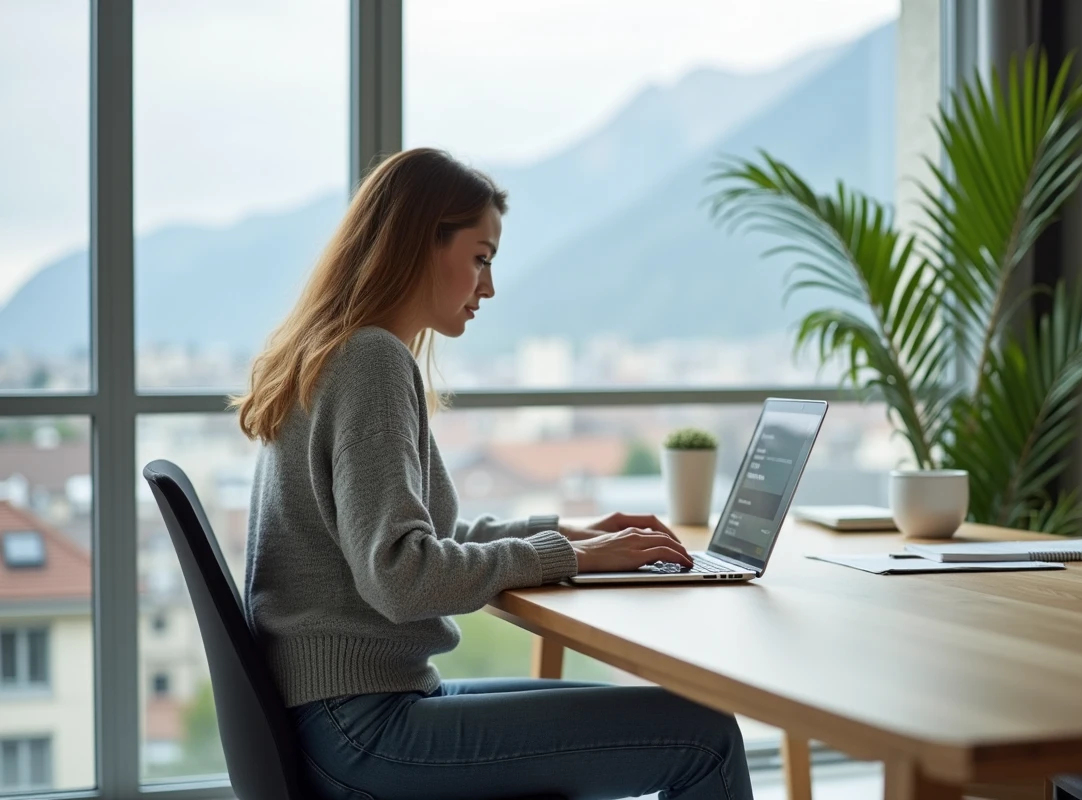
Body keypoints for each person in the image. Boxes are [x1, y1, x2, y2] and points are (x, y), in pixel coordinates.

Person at [232, 148, 754, 799]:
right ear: (420, 244)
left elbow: (425, 536)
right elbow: (402, 575)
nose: (489, 286)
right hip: (361, 729)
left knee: (673, 719)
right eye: (480, 257)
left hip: (342, 714)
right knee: (702, 735)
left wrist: (571, 535)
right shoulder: (370, 361)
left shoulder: (336, 352)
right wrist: (566, 554)